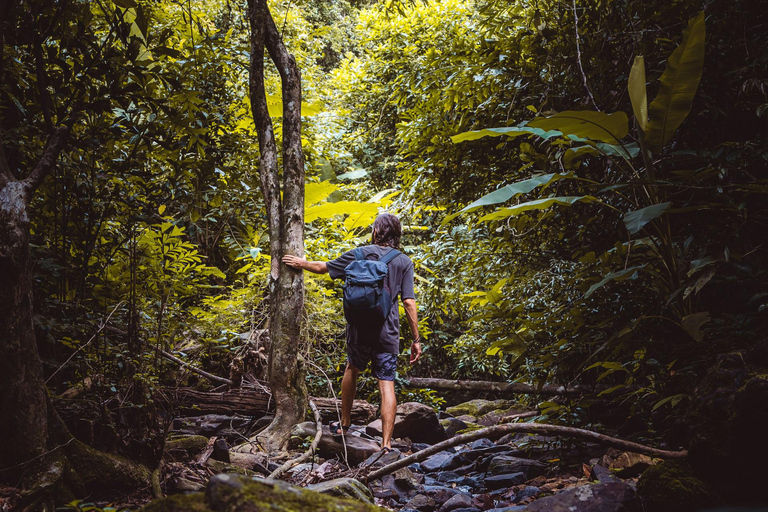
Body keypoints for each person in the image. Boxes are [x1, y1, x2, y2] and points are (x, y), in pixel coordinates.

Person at [282, 213, 421, 452]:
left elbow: (322, 268)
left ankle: (345, 422)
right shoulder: (403, 262)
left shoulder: (358, 254)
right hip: (387, 332)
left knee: (352, 368)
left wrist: (300, 263)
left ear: (376, 231)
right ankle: (386, 444)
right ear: (397, 234)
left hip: (358, 328)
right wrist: (416, 339)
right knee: (386, 382)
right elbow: (408, 302)